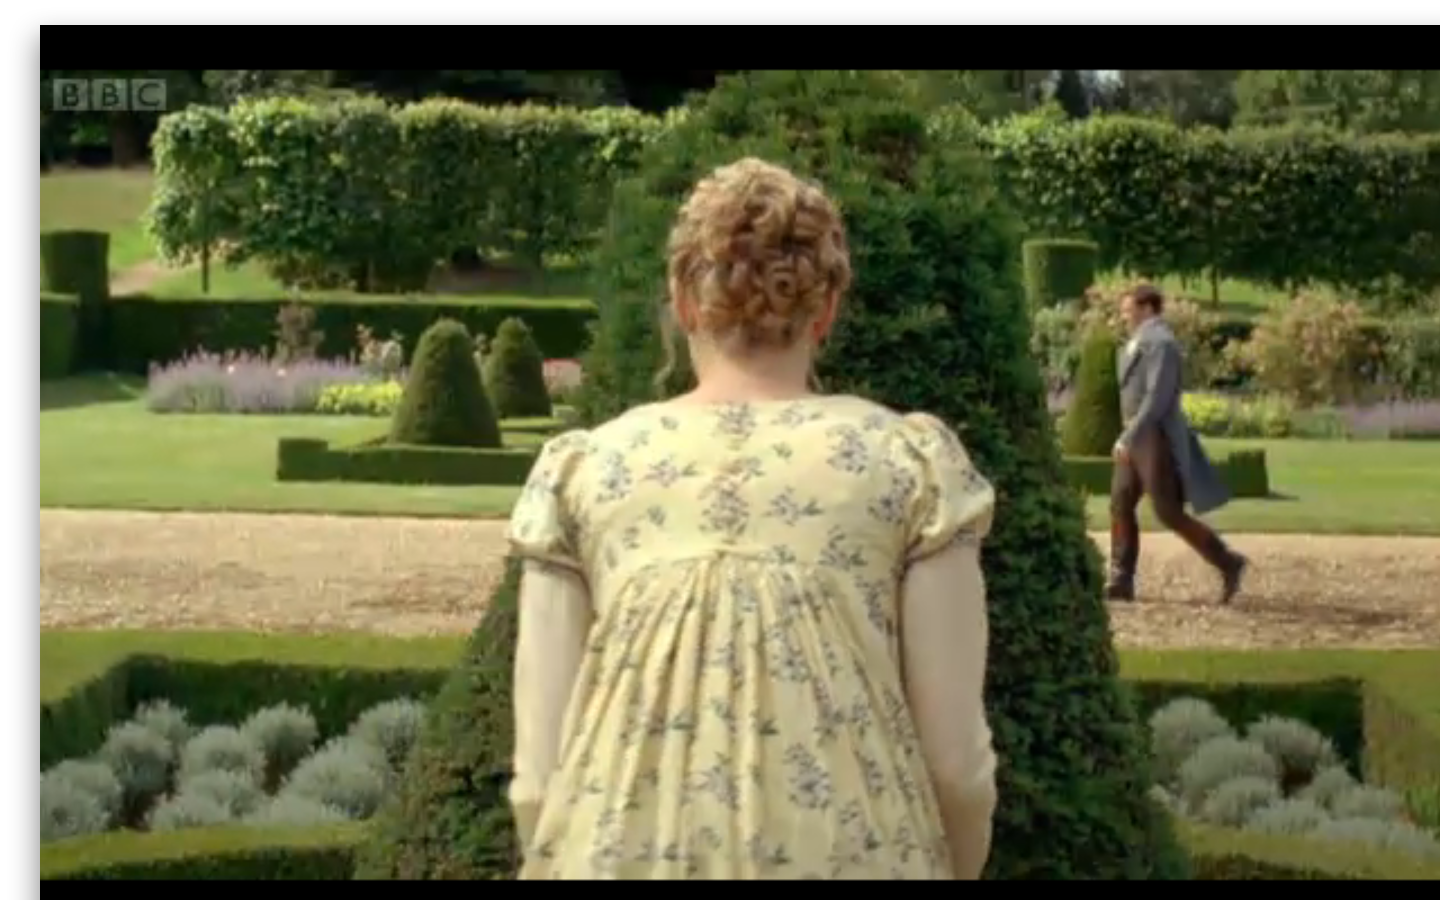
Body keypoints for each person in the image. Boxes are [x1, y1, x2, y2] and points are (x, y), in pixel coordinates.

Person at [504, 157, 1000, 879]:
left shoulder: (588, 469)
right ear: (825, 311)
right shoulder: (906, 462)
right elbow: (957, 768)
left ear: (683, 301)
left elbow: (537, 780)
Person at [1107, 283, 1247, 603]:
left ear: (1147, 308)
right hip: (1136, 436)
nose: (1123, 316)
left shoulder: (1162, 343)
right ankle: (1121, 578)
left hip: (1154, 438)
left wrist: (1128, 436)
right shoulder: (1135, 342)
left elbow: (1157, 397)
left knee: (1168, 511)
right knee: (1120, 502)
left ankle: (1228, 561)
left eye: (1128, 310)